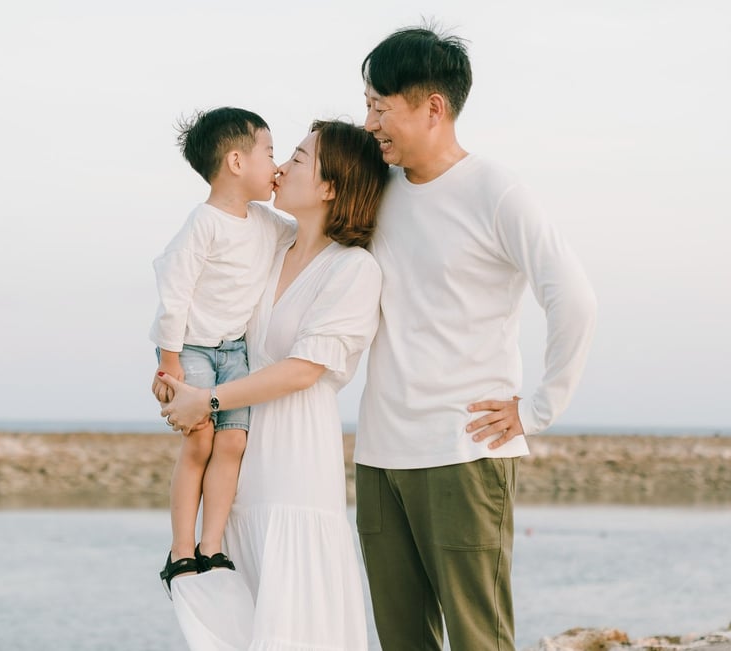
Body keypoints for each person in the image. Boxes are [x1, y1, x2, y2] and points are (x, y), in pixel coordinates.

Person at [355, 24, 598, 651]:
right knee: (400, 637)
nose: (370, 120)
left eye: (380, 105)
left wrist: (539, 408)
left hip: (462, 448)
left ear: (433, 107)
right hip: (380, 451)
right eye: (367, 105)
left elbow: (572, 296)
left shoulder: (496, 190)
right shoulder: (378, 188)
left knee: (477, 637)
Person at [157, 119, 389, 650]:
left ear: (331, 186)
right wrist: (174, 368)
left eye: (300, 159)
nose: (281, 166)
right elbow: (196, 293)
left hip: (295, 464)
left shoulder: (352, 269)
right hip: (241, 466)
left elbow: (304, 370)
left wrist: (207, 400)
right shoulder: (267, 242)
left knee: (294, 619)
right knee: (237, 613)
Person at [149, 106, 296, 598]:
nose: (276, 166)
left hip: (234, 350)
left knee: (232, 443)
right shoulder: (204, 224)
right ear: (236, 161)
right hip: (189, 346)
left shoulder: (266, 222)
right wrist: (169, 362)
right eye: (270, 153)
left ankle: (212, 544)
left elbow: (305, 235)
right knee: (199, 441)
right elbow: (175, 292)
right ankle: (179, 548)